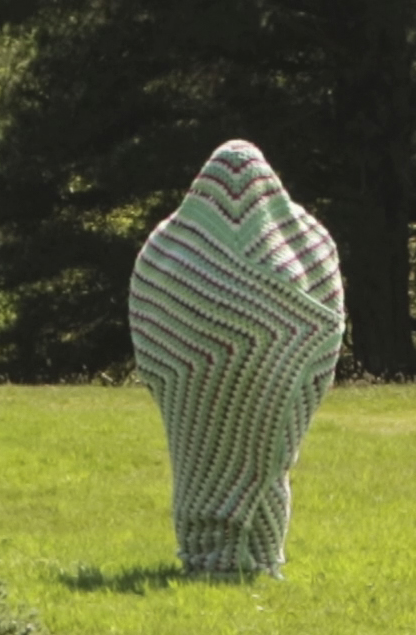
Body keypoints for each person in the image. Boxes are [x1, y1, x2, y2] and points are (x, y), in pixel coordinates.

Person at [128, 140, 347, 578]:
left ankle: (219, 557)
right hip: (251, 370)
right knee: (256, 454)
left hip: (231, 370)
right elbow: (324, 313)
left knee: (210, 461)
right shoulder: (303, 240)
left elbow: (149, 307)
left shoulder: (170, 245)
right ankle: (257, 562)